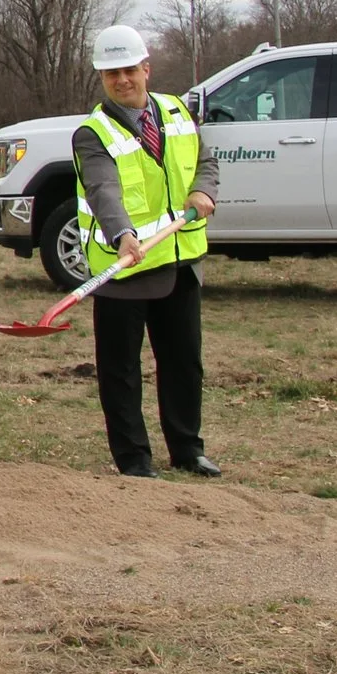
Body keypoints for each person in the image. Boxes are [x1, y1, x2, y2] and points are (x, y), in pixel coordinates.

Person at [74, 24, 222, 478]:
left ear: (146, 69)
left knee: (183, 362)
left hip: (180, 261)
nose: (122, 81)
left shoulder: (178, 113)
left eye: (129, 70)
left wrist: (203, 191)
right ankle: (134, 458)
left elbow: (206, 161)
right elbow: (103, 190)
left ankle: (187, 448)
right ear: (102, 78)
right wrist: (123, 235)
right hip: (125, 268)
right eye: (111, 73)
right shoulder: (92, 132)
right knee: (120, 372)